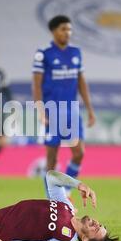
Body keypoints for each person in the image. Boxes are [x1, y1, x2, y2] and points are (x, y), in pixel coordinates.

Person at [32, 15, 96, 198]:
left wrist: (90, 109)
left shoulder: (76, 52)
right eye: (63, 29)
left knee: (79, 153)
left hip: (72, 111)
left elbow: (81, 82)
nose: (67, 33)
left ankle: (65, 190)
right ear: (53, 31)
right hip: (52, 110)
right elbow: (36, 85)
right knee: (52, 157)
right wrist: (40, 110)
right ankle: (52, 199)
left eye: (69, 29)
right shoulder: (43, 54)